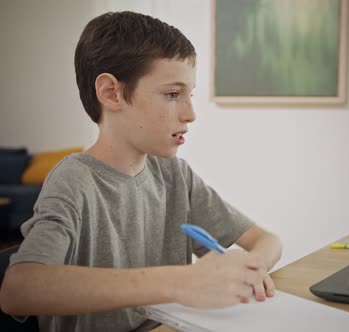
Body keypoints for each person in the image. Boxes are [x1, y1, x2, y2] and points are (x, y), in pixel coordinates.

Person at [0, 11, 282, 332]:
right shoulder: (74, 181)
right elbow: (18, 291)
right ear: (111, 92)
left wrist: (250, 267)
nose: (190, 114)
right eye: (173, 95)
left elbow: (266, 239)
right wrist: (180, 281)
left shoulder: (175, 175)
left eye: (189, 95)